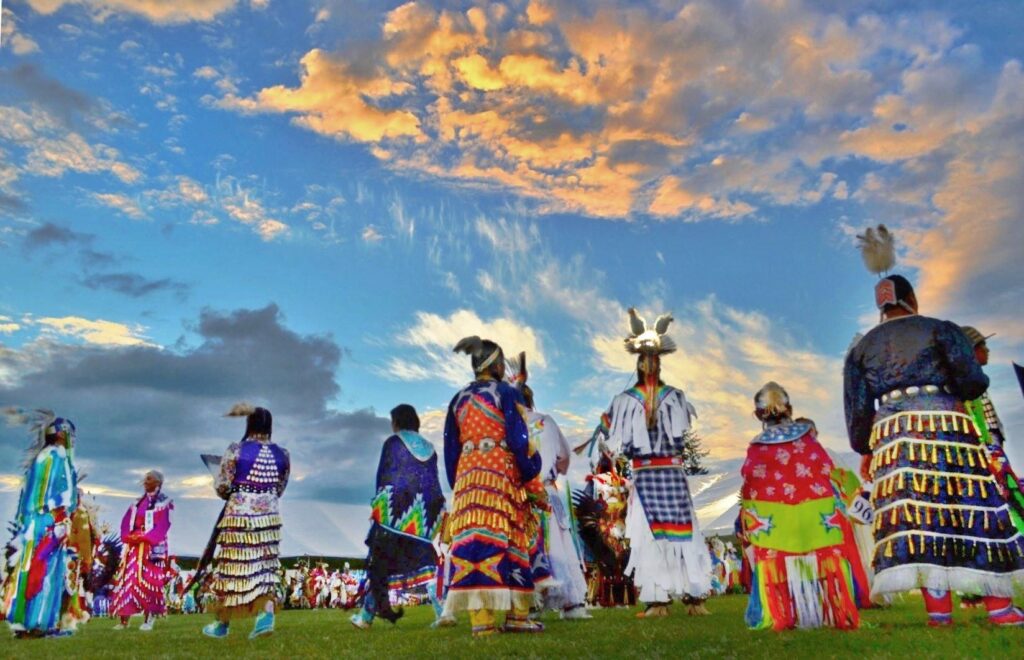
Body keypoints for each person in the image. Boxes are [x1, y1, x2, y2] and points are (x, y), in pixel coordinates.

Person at [844, 225, 1024, 626]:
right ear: (912, 300)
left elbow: (857, 408)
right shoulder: (941, 328)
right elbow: (974, 380)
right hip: (948, 425)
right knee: (968, 504)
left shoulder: (862, 348)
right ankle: (999, 608)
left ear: (882, 308)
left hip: (893, 436)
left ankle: (938, 611)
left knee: (919, 515)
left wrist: (865, 450)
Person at [597, 309, 712, 618]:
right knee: (682, 534)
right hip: (670, 475)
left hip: (649, 476)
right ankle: (693, 598)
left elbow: (609, 436)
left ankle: (659, 600)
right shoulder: (675, 397)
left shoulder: (626, 400)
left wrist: (606, 422)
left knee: (657, 537)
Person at [739, 383, 863, 630]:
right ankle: (834, 612)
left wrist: (748, 517)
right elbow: (829, 470)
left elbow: (750, 483)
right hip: (816, 515)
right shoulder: (807, 438)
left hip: (774, 521)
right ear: (790, 408)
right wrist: (853, 494)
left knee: (778, 564)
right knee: (825, 560)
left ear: (758, 415)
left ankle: (784, 615)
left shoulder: (758, 446)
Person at [442, 336, 542, 636]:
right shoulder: (507, 393)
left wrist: (457, 481)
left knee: (474, 540)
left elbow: (450, 449)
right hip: (501, 474)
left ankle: (481, 620)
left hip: (468, 478)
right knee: (512, 538)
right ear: (497, 365)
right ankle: (518, 616)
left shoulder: (458, 399)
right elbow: (520, 437)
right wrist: (530, 470)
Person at [507, 353, 591, 620]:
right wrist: (554, 470)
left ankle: (529, 606)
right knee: (558, 547)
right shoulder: (546, 422)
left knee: (526, 547)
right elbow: (564, 457)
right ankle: (572, 605)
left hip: (519, 496)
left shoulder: (507, 428)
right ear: (531, 400)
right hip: (546, 491)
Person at [350, 404, 446, 630]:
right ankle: (442, 612)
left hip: (395, 509)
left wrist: (378, 505)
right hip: (423, 511)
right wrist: (437, 507)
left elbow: (385, 475)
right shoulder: (430, 448)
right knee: (425, 559)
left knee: (381, 561)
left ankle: (366, 618)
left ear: (398, 422)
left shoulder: (392, 443)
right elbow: (432, 480)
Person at [202, 405, 290, 639]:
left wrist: (232, 491)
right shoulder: (283, 454)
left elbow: (223, 486)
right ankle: (266, 615)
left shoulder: (235, 450)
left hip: (240, 515)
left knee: (233, 569)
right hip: (269, 517)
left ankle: (222, 624)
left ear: (248, 424)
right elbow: (280, 488)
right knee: (264, 568)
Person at [2, 412, 80, 638]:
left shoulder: (44, 457)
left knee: (33, 568)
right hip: (47, 521)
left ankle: (28, 623)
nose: (72, 441)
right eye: (70, 436)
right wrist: (58, 515)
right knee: (44, 570)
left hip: (35, 523)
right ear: (61, 435)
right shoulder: (55, 456)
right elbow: (52, 493)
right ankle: (37, 624)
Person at [111, 470, 174, 631]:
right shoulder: (137, 502)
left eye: (149, 479)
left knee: (149, 581)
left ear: (158, 483)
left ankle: (149, 619)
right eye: (145, 479)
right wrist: (128, 536)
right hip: (134, 548)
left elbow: (164, 525)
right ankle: (124, 620)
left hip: (151, 550)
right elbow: (126, 522)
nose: (145, 481)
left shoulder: (164, 502)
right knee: (128, 581)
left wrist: (147, 538)